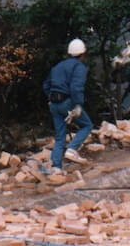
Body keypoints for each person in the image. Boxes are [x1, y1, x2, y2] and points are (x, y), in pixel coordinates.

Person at [42, 38, 93, 173]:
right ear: (82, 54)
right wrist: (78, 105)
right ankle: (72, 149)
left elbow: (46, 85)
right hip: (67, 103)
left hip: (54, 104)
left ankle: (55, 167)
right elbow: (76, 87)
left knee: (60, 136)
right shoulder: (79, 67)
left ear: (69, 53)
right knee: (87, 125)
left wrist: (50, 98)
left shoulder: (58, 66)